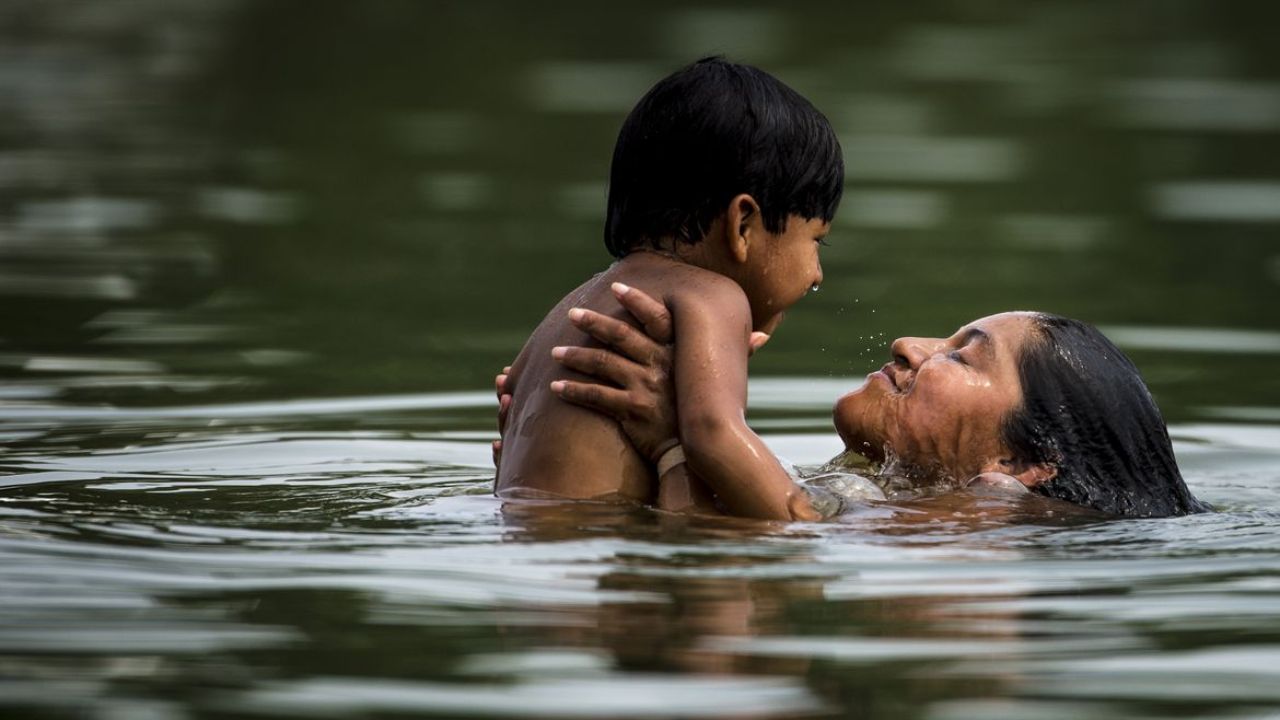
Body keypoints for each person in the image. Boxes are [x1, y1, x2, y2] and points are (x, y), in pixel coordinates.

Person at [507, 285, 1208, 520]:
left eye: (963, 354)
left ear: (1020, 461)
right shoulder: (901, 503)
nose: (908, 344)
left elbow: (727, 564)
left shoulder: (968, 531)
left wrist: (675, 438)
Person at [495, 57, 843, 519]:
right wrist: (801, 517)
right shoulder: (714, 296)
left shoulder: (570, 308)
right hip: (603, 553)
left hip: (523, 548)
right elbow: (713, 433)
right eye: (816, 240)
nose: (817, 273)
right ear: (742, 224)